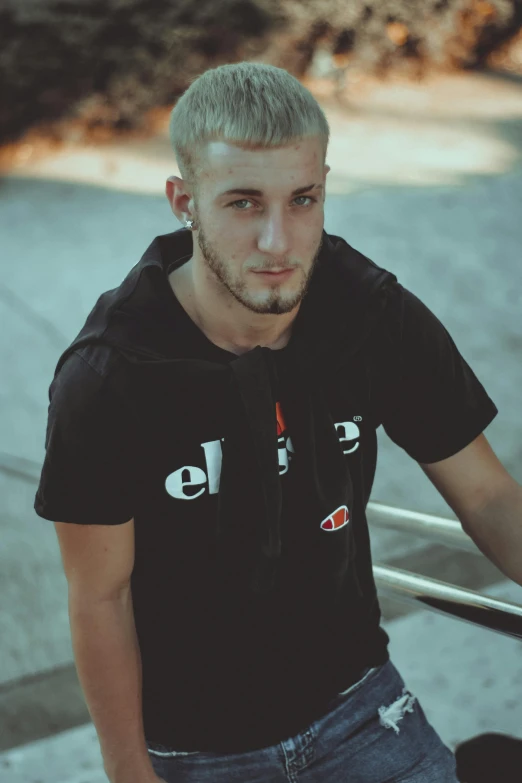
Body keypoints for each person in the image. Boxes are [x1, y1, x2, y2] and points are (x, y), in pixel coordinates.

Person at [33, 61, 500, 783]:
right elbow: (101, 594)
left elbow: (489, 495)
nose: (280, 242)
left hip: (362, 709)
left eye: (303, 199)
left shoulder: (370, 315)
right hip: (196, 749)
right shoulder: (112, 377)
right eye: (244, 203)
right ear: (183, 200)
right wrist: (128, 768)